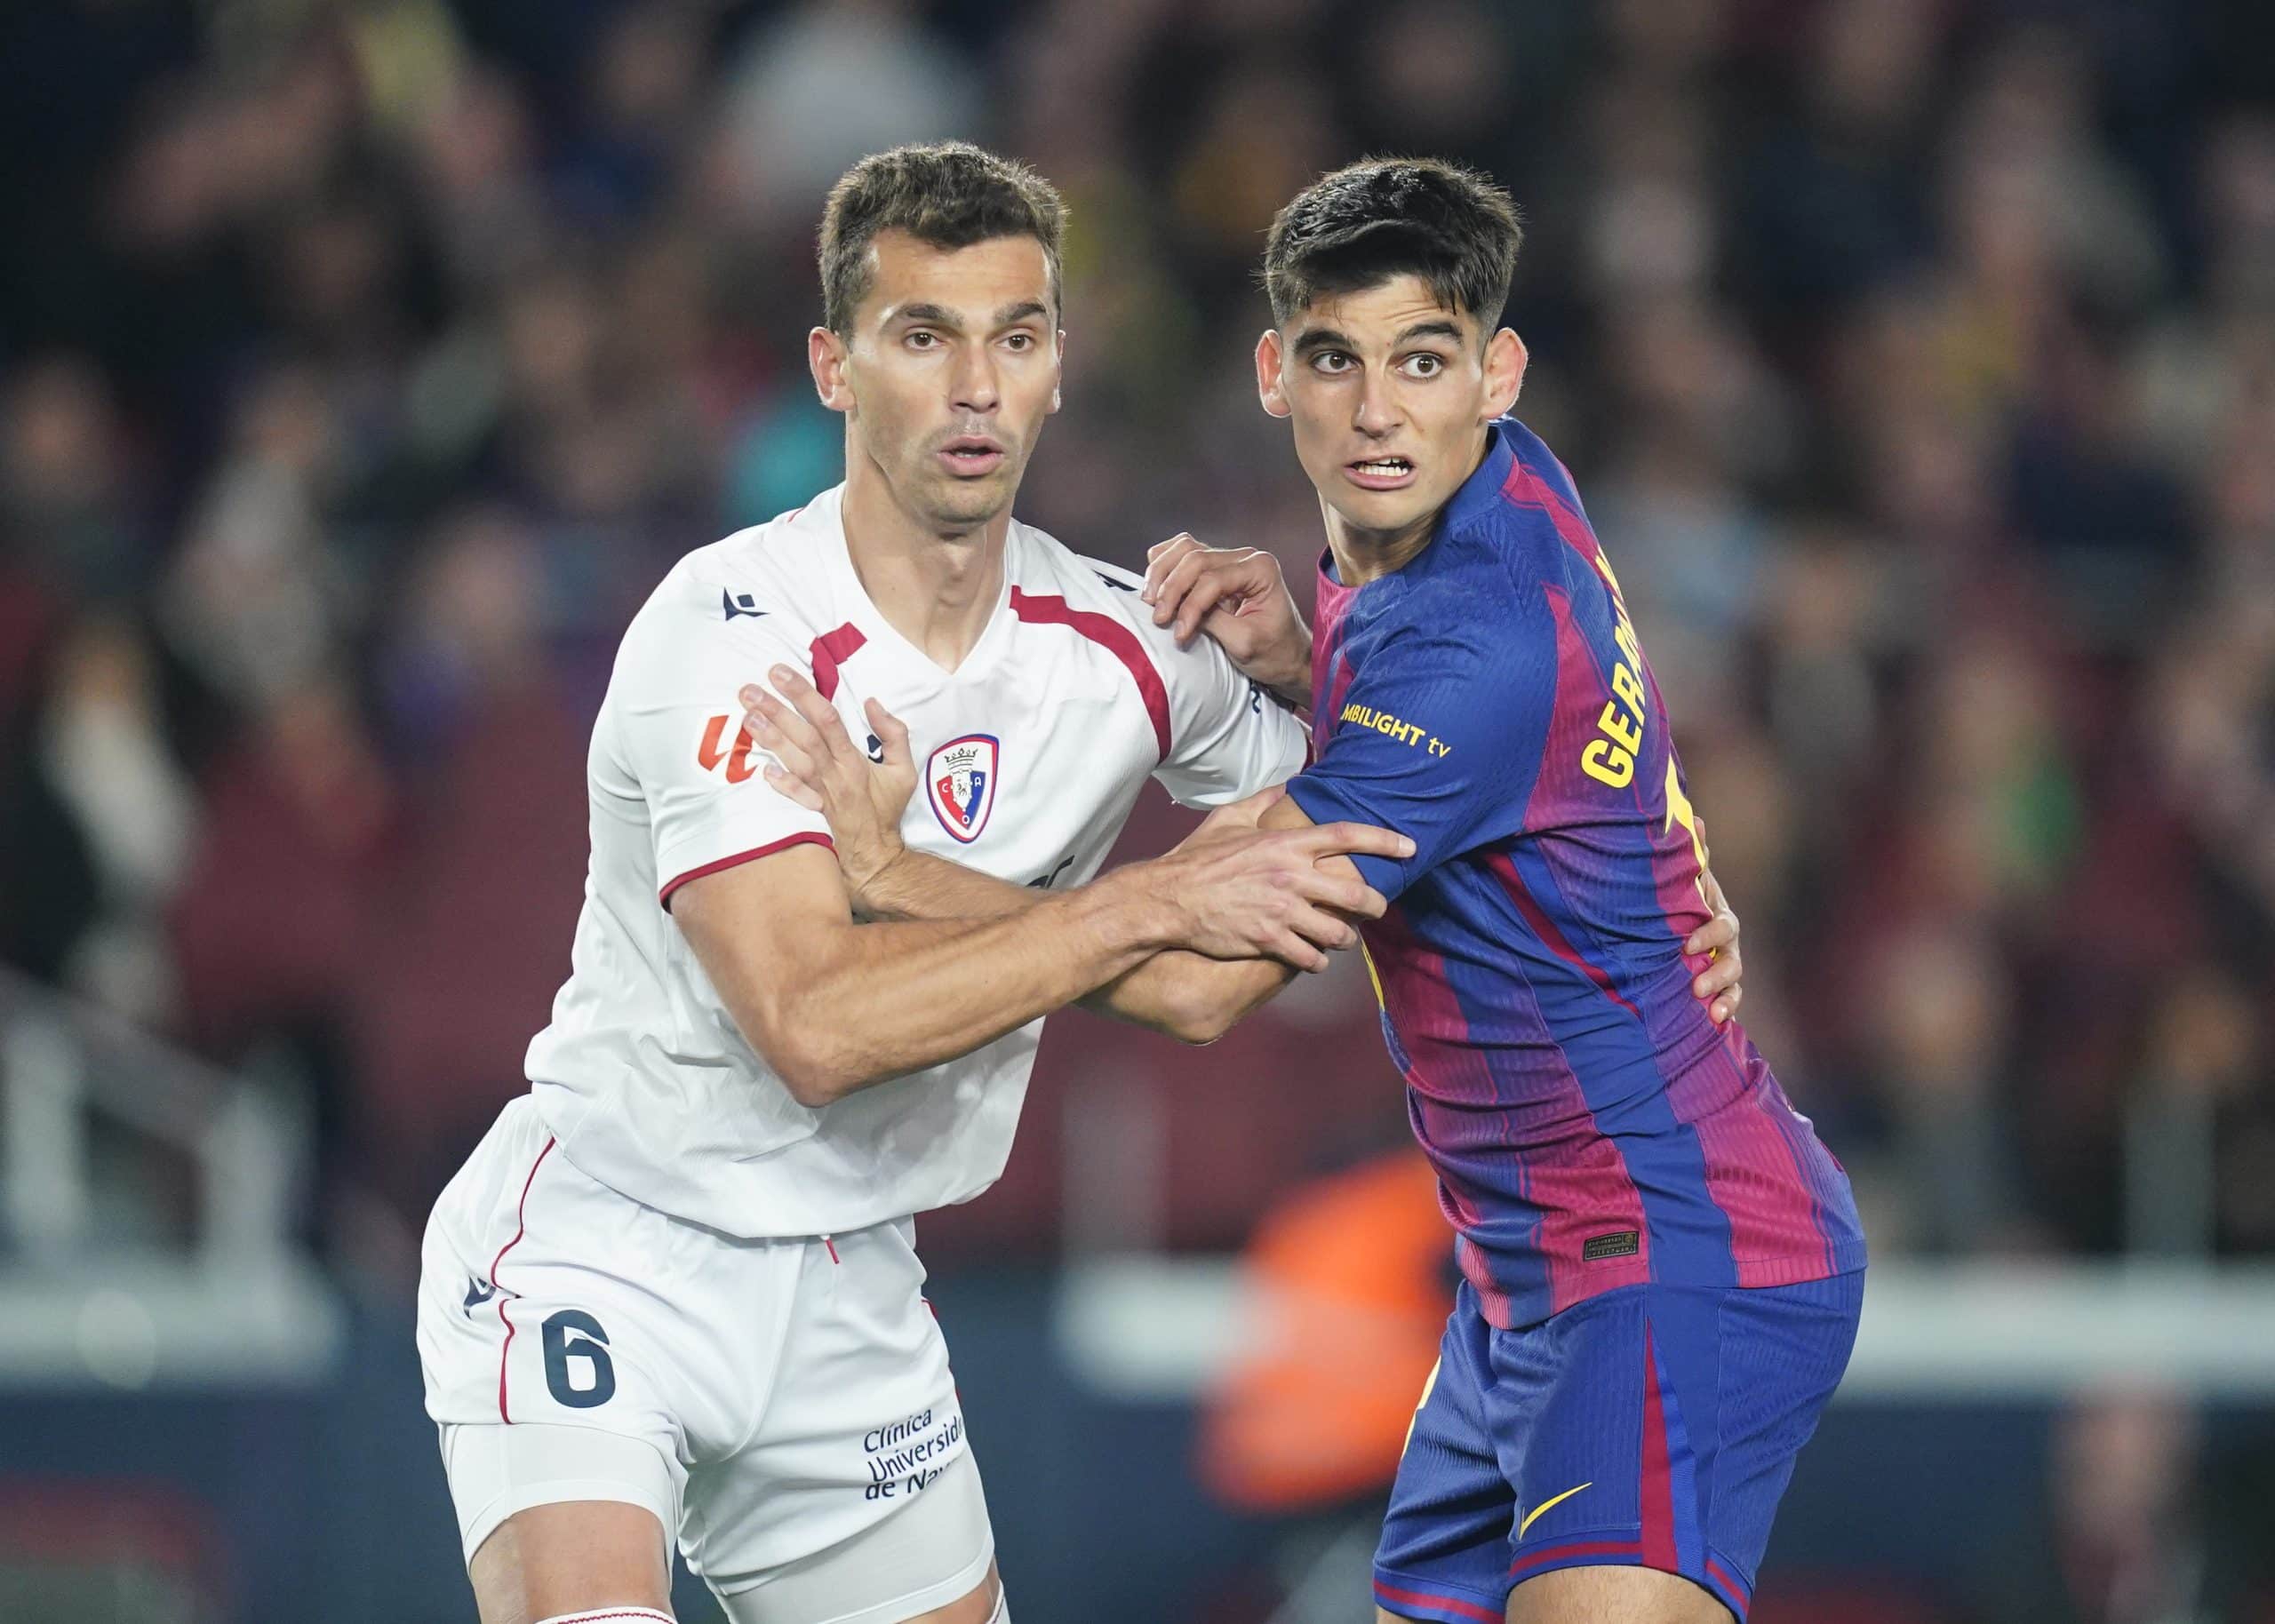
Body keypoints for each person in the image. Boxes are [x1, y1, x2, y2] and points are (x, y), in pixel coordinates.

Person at [751, 156, 1850, 1624]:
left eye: (1425, 362)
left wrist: (892, 872)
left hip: (1673, 1255)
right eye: (1337, 360)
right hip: (1526, 1288)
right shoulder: (1515, 497)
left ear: (1496, 372)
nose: (1380, 412)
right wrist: (1312, 653)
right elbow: (1570, 733)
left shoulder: (1465, 655)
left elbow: (1200, 983)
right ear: (1277, 372)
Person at [414, 141, 1428, 1624]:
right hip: (612, 1241)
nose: (974, 389)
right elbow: (815, 1028)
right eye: (923, 336)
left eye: (1014, 338)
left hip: (854, 1283)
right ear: (833, 366)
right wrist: (1143, 899)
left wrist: (1324, 655)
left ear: (1058, 368)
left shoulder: (1128, 653)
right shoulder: (732, 635)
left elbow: (1259, 942)